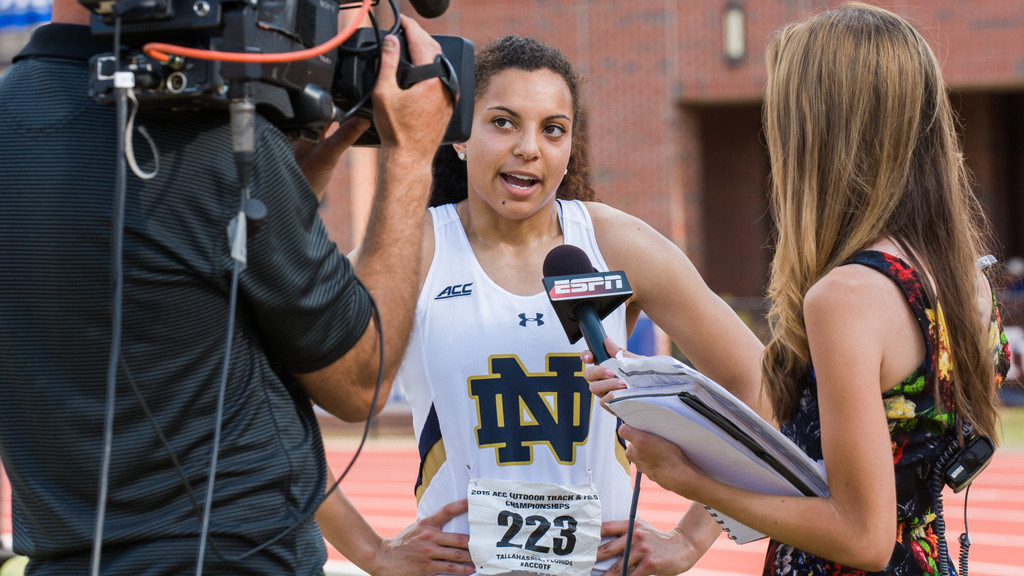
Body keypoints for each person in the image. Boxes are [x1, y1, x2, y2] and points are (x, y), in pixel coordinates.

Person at [0, 0, 454, 572]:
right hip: (236, 557)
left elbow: (173, 293)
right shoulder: (208, 137)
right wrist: (410, 156)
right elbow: (360, 383)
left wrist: (292, 187)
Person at [317, 35, 768, 576]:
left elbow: (761, 384)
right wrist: (372, 553)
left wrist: (690, 540)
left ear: (570, 145)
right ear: (458, 137)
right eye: (503, 122)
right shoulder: (411, 250)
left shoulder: (617, 245)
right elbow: (273, 401)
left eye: (552, 129)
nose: (529, 147)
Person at [586, 4, 1011, 576]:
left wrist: (690, 479)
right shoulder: (965, 279)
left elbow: (862, 537)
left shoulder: (848, 297)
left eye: (783, 114)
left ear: (820, 130)